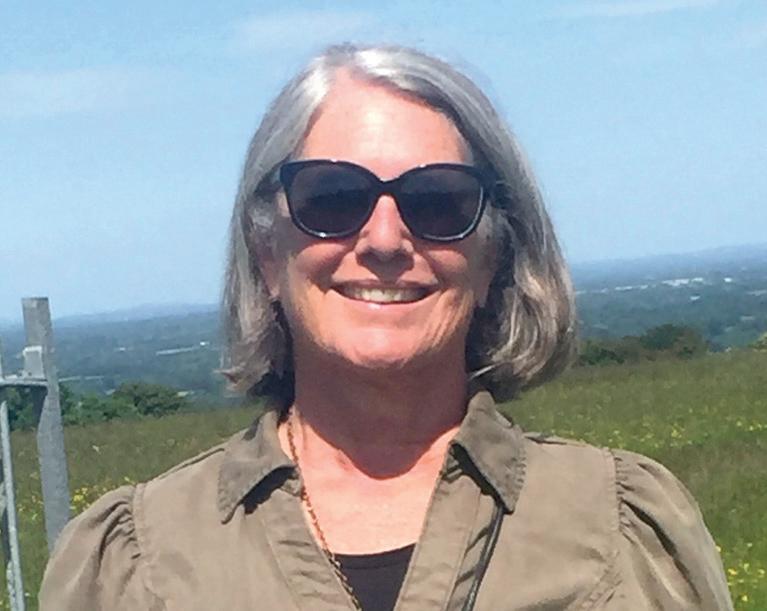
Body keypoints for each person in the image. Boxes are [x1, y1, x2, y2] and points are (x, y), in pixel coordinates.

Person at [39, 44, 733, 610]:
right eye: (333, 198)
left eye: (437, 202)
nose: (383, 240)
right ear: (267, 254)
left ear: (492, 257)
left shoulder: (618, 525)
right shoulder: (138, 561)